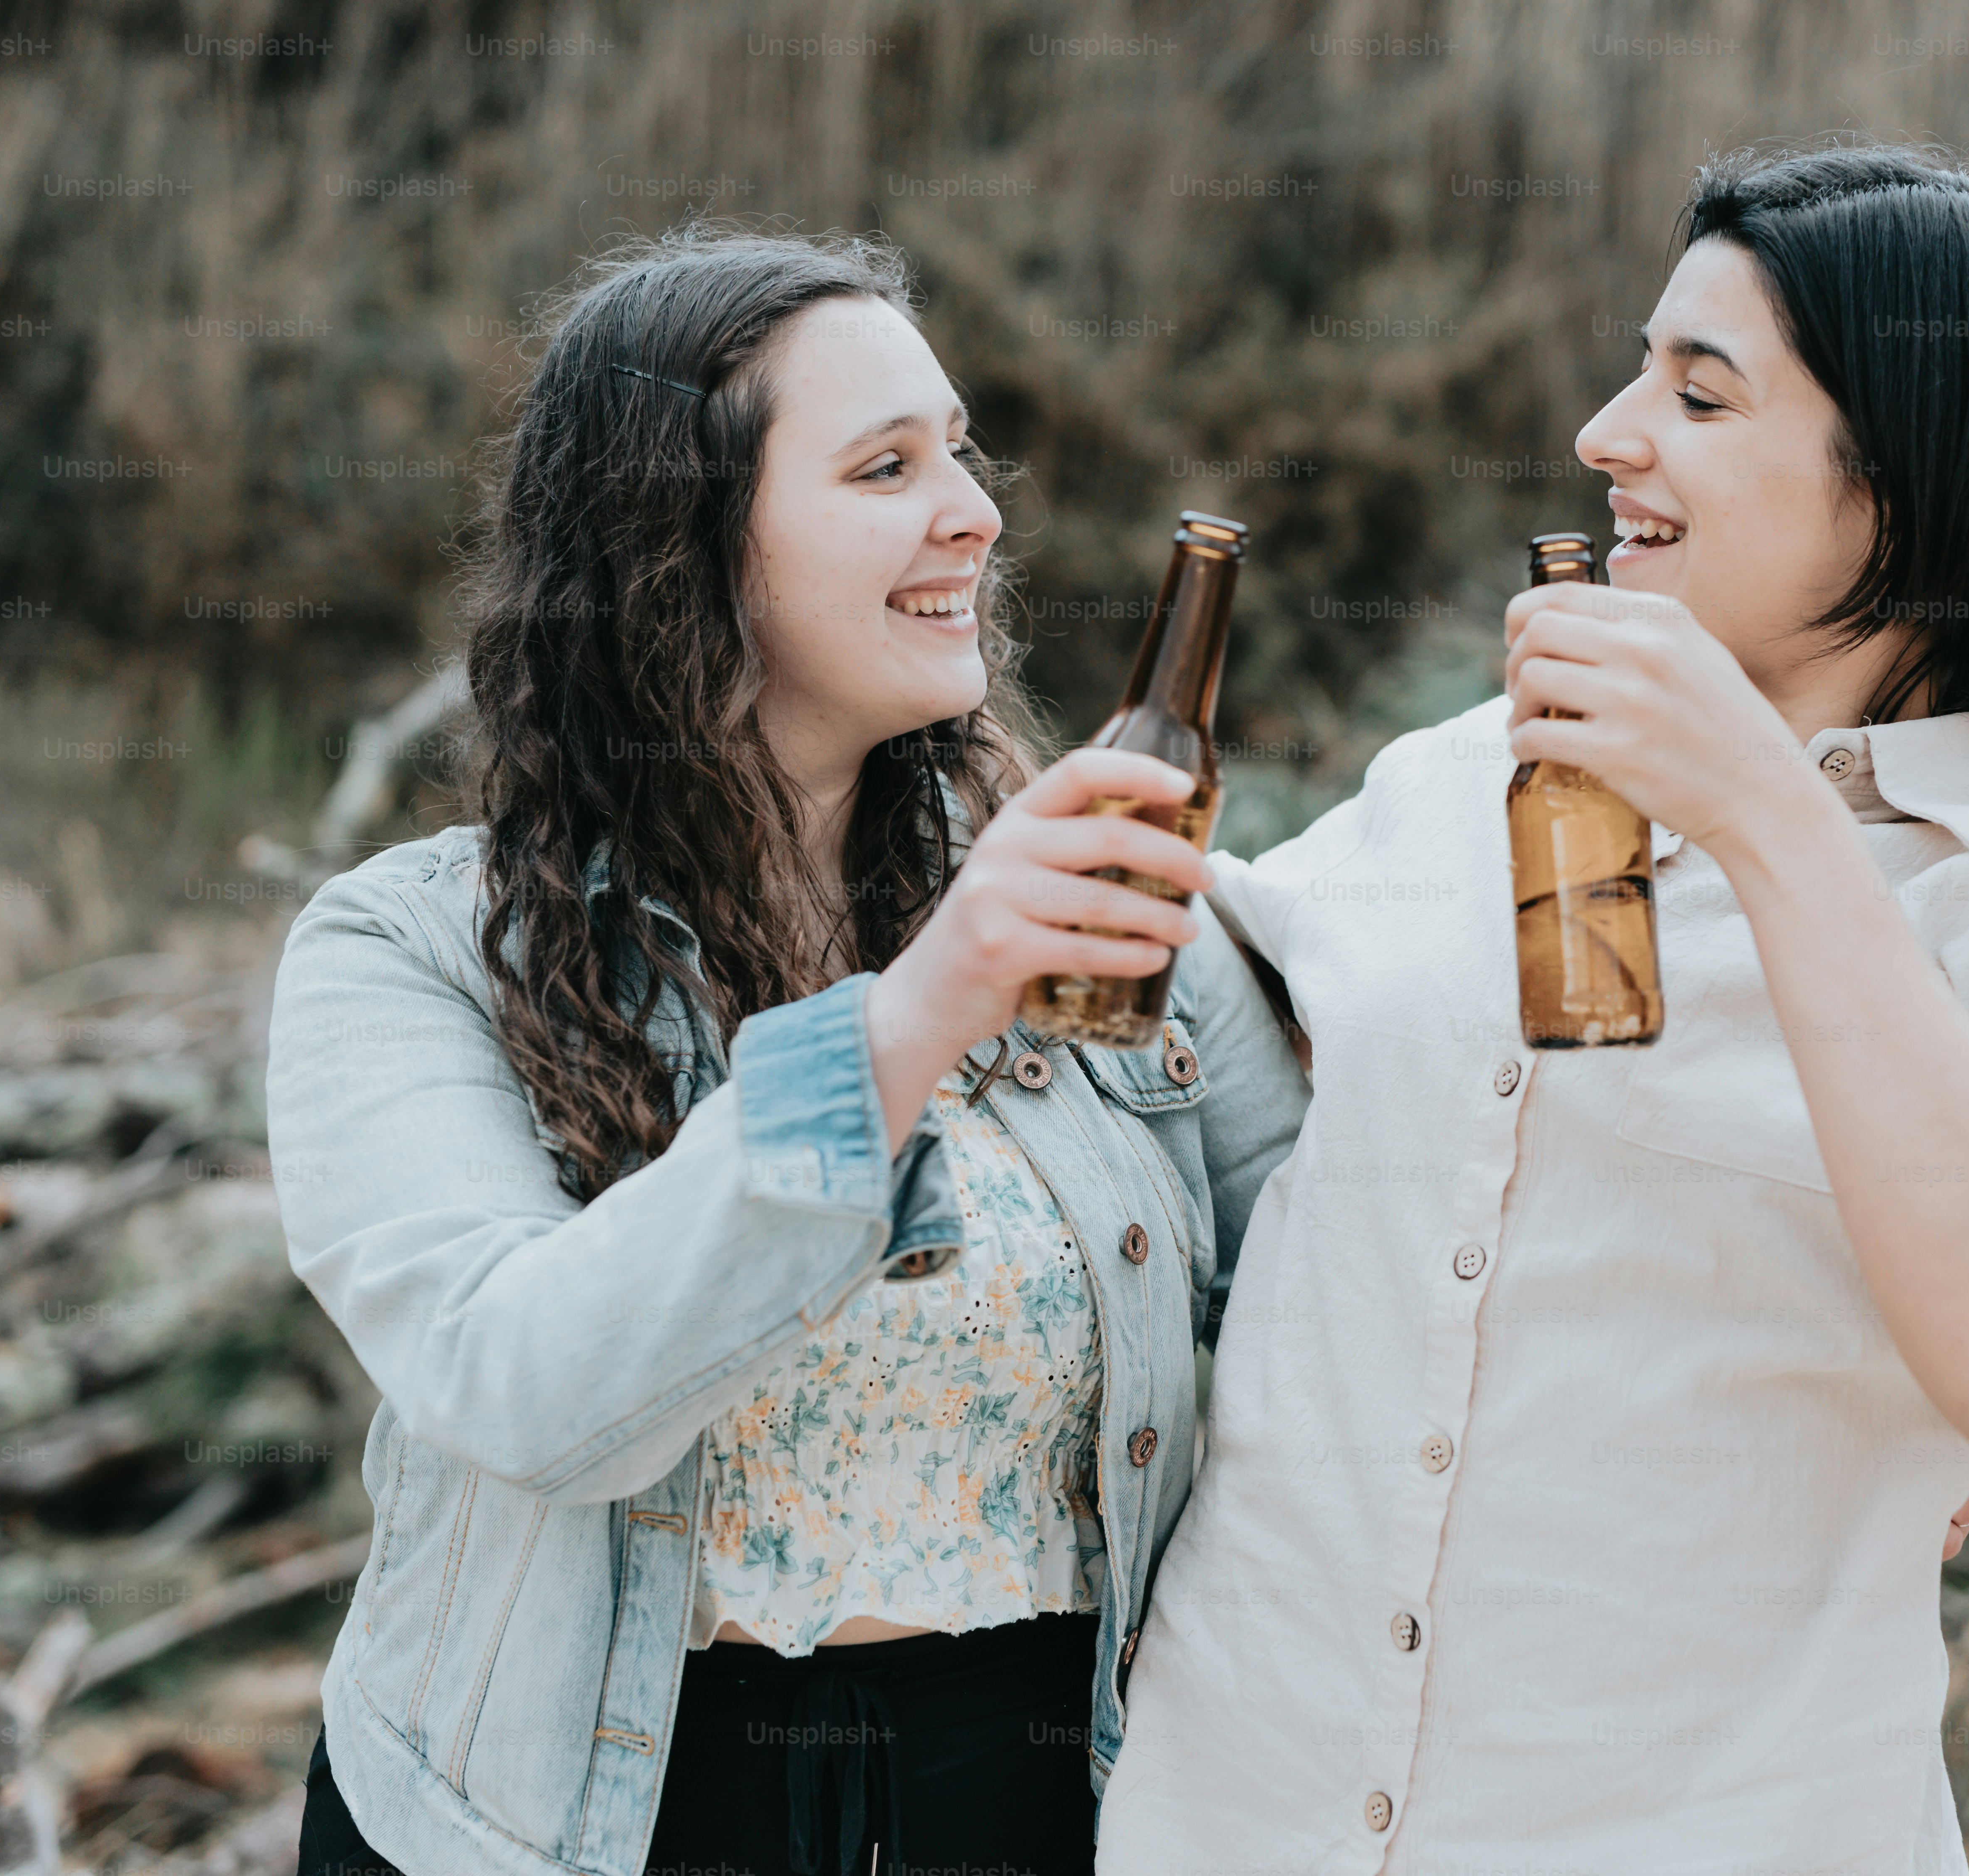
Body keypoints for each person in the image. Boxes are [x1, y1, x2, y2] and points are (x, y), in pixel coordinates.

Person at [1096, 145, 1969, 1870]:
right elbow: (1143, 1031)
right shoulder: (1455, 785)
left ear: (1915, 480)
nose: (1606, 432)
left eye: (1699, 396)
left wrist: (1767, 815)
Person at [265, 227, 1309, 1876]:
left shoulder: (1107, 911)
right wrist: (912, 1016)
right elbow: (527, 1391)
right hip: (581, 1820)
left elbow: (1335, 1310)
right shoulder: (408, 954)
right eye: (886, 467)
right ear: (678, 545)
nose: (974, 513)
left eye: (958, 452)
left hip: (1044, 1794)